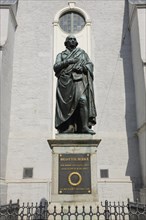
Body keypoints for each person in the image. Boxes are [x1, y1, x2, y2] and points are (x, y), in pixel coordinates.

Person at [53, 35, 97, 134]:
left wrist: (83, 68)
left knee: (82, 100)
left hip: (79, 80)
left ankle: (84, 126)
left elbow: (89, 64)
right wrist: (69, 61)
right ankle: (69, 127)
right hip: (65, 82)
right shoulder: (61, 55)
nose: (72, 41)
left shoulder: (82, 54)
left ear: (76, 42)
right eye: (70, 39)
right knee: (68, 105)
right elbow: (56, 67)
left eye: (74, 39)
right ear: (66, 43)